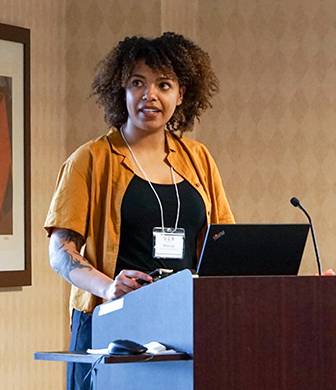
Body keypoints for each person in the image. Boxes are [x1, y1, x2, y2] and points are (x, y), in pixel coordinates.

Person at [43, 32, 235, 390]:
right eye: (137, 83)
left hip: (185, 326)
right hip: (111, 324)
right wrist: (110, 286)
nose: (150, 95)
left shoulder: (200, 159)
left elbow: (225, 245)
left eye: (163, 84)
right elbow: (60, 251)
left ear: (181, 94)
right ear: (122, 91)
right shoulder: (90, 160)